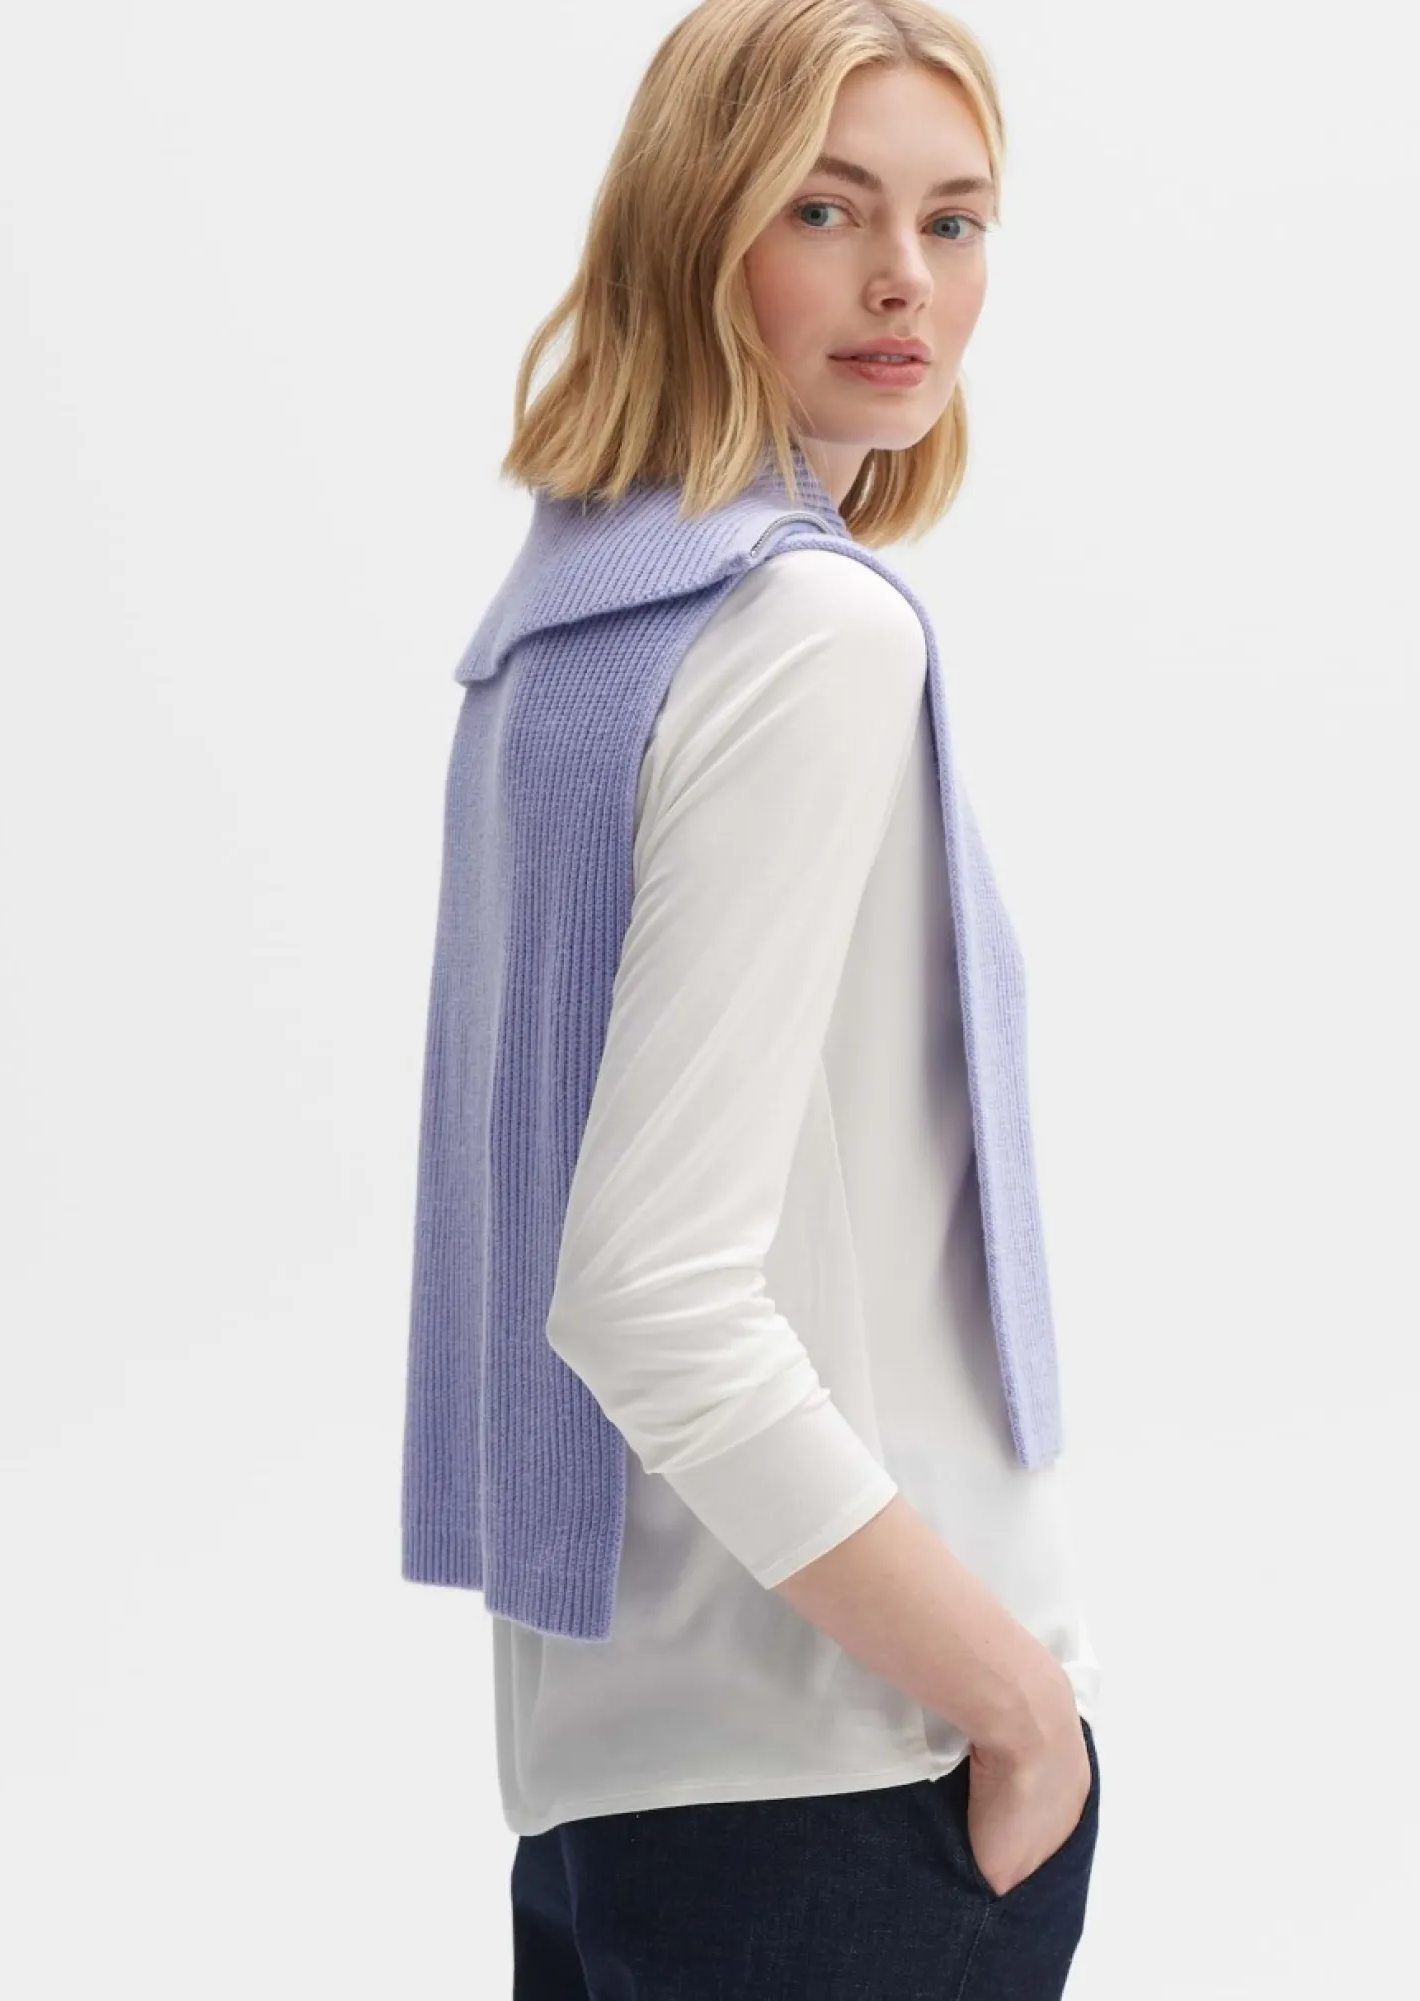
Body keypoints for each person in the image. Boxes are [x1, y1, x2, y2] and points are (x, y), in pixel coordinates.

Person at [402, 2, 1104, 1992]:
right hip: (859, 1769)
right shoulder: (804, 630)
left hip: (613, 1787)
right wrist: (1015, 1704)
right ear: (696, 227)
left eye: (953, 221)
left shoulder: (564, 627)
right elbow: (647, 1292)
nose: (905, 280)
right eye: (825, 206)